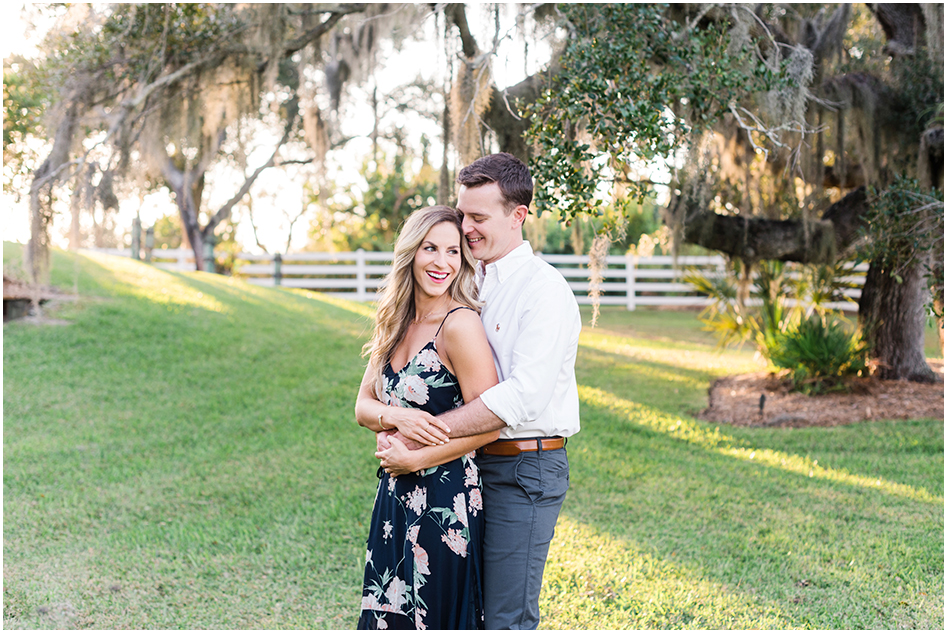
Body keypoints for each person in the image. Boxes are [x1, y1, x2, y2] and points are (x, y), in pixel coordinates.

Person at [380, 153, 582, 629]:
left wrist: (422, 438)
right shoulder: (470, 279)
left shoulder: (543, 291)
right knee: (460, 612)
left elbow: (521, 398)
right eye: (463, 213)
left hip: (521, 469)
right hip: (464, 471)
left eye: (478, 217)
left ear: (518, 216)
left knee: (505, 620)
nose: (465, 227)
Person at [355, 205, 500, 630]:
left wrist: (418, 458)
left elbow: (490, 422)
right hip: (394, 496)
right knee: (389, 614)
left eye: (453, 252)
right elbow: (363, 406)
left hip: (445, 497)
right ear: (411, 253)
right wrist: (396, 416)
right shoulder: (394, 321)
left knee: (434, 615)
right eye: (430, 248)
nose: (442, 262)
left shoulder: (460, 325)